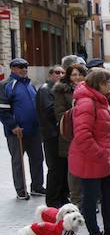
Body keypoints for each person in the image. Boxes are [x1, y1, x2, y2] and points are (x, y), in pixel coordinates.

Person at [69, 68, 110, 235]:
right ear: (100, 83)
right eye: (109, 81)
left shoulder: (100, 100)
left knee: (109, 196)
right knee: (90, 199)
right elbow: (82, 135)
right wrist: (100, 153)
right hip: (91, 160)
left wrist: (105, 155)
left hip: (103, 159)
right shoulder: (87, 102)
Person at [0, 58, 45, 200]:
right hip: (16, 132)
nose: (24, 69)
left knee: (37, 159)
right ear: (12, 69)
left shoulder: (30, 84)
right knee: (18, 162)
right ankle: (21, 190)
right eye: (20, 67)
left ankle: (37, 187)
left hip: (34, 130)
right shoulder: (6, 85)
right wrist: (13, 126)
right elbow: (2, 109)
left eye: (26, 67)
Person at [54, 62, 88, 208]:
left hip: (88, 134)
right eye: (74, 74)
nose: (77, 77)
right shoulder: (62, 91)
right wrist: (79, 114)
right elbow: (59, 114)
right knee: (73, 170)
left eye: (80, 74)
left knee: (88, 168)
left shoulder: (91, 89)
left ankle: (89, 199)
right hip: (71, 135)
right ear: (68, 77)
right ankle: (76, 201)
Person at [36, 65, 66, 207]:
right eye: (56, 72)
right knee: (54, 168)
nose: (59, 75)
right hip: (51, 135)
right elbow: (49, 111)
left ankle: (62, 197)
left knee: (63, 167)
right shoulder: (45, 89)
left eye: (62, 72)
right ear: (50, 75)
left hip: (61, 135)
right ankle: (53, 200)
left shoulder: (60, 89)